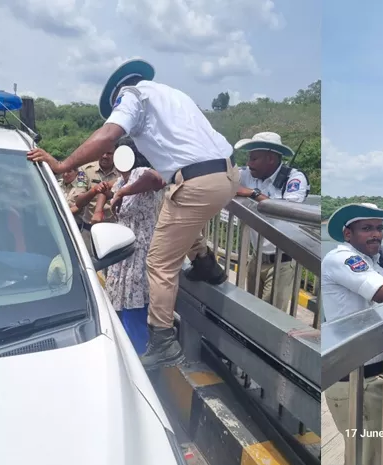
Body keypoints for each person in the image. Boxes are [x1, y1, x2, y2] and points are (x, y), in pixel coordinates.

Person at [26, 58, 240, 370]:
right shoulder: (174, 96)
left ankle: (163, 341)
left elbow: (107, 135)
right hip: (228, 175)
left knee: (159, 262)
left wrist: (62, 165)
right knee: (177, 207)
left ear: (118, 97)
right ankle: (206, 263)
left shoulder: (133, 97)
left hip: (196, 182)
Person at [322, 203, 383, 465]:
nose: (375, 234)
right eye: (366, 228)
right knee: (367, 456)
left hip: (369, 373)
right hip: (354, 378)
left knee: (376, 454)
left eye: (378, 228)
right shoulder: (343, 258)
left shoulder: (374, 263)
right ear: (348, 234)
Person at [102, 138, 165, 354]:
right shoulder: (120, 181)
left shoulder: (141, 173)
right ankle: (124, 351)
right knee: (119, 300)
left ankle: (139, 353)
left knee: (135, 301)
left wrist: (122, 193)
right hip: (123, 251)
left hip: (139, 248)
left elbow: (155, 179)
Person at [235, 132, 309, 311]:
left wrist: (253, 194)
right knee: (252, 310)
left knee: (271, 314)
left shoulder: (294, 178)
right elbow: (223, 179)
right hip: (257, 256)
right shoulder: (247, 175)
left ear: (270, 158)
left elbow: (289, 210)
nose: (249, 163)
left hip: (281, 261)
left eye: (254, 158)